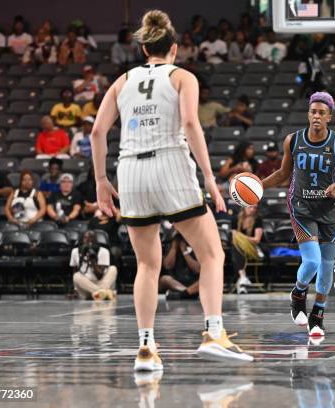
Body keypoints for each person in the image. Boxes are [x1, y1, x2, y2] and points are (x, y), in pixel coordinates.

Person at [90, 9, 252, 370]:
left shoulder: (122, 81)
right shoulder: (183, 77)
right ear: (174, 49)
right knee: (212, 254)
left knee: (147, 265)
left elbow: (97, 132)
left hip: (130, 169)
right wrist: (210, 178)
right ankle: (213, 333)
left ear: (145, 49)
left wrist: (102, 180)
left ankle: (146, 349)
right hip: (170, 164)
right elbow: (192, 124)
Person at [261, 92, 335, 338]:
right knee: (313, 262)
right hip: (302, 208)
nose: (316, 116)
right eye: (313, 111)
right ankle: (298, 292)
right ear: (308, 113)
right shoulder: (293, 140)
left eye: (321, 113)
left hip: (330, 210)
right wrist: (257, 186)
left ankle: (318, 314)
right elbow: (283, 174)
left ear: (329, 116)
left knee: (327, 266)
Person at [71, 230, 118, 301]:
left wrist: (92, 261)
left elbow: (99, 276)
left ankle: (99, 293)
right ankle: (105, 293)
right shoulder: (75, 251)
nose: (89, 241)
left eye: (92, 238)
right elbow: (75, 270)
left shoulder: (103, 251)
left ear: (96, 240)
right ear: (82, 239)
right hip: (86, 286)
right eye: (86, 238)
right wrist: (75, 289)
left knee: (113, 268)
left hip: (101, 282)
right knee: (76, 276)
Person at [231, 206, 263, 294]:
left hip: (253, 247)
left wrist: (242, 237)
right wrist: (240, 238)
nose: (253, 209)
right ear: (244, 207)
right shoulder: (235, 219)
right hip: (238, 246)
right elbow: (234, 238)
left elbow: (257, 239)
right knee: (236, 247)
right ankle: (242, 279)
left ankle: (242, 279)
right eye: (250, 207)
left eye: (255, 208)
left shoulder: (258, 219)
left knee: (236, 249)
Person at [159, 232, 200, 299]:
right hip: (176, 282)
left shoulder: (198, 245)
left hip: (193, 281)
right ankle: (188, 293)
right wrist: (174, 247)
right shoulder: (171, 245)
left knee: (205, 280)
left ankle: (183, 294)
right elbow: (168, 265)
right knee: (164, 279)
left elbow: (197, 269)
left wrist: (184, 251)